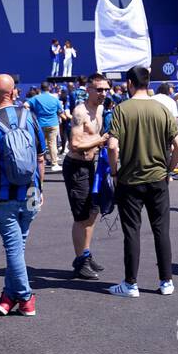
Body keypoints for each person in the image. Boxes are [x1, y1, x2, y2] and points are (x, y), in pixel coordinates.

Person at [107, 65, 178, 298]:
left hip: (130, 180)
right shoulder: (162, 110)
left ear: (130, 83)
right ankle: (166, 281)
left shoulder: (122, 110)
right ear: (147, 83)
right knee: (162, 231)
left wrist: (114, 172)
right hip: (158, 178)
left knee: (132, 231)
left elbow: (112, 146)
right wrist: (169, 168)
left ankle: (131, 284)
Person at [0, 73, 45, 316]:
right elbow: (41, 158)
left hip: (2, 195)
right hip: (30, 192)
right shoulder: (30, 117)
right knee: (18, 246)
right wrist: (40, 189)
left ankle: (26, 298)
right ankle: (7, 297)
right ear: (14, 91)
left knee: (13, 248)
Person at [65, 73, 111, 280]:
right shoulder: (79, 112)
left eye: (106, 89)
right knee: (81, 215)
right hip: (76, 167)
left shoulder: (100, 108)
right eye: (99, 89)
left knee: (93, 211)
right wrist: (100, 140)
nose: (104, 93)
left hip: (91, 165)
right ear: (88, 90)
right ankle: (79, 261)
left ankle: (86, 252)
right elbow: (74, 144)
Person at [30, 82, 64, 172]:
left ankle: (43, 161)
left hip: (40, 124)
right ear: (49, 88)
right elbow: (60, 111)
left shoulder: (36, 98)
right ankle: (55, 163)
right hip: (53, 123)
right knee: (52, 144)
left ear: (41, 88)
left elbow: (26, 105)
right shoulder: (55, 99)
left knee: (41, 143)